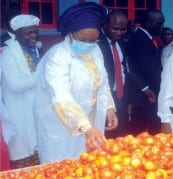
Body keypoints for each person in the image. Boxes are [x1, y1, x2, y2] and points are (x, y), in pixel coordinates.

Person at [33, 2, 118, 164]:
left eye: (93, 40)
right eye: (83, 39)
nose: (88, 44)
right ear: (71, 34)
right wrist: (85, 126)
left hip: (92, 122)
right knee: (63, 166)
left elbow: (103, 81)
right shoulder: (57, 57)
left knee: (90, 166)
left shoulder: (95, 50)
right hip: (60, 127)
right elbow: (61, 96)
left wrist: (109, 108)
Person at [0, 14, 41, 169]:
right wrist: (42, 74)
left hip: (35, 107)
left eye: (35, 32)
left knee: (37, 151)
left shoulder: (35, 49)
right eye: (28, 33)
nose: (33, 36)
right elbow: (16, 85)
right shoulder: (8, 53)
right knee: (21, 151)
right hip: (18, 110)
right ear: (16, 34)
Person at [126, 9, 165, 135]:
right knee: (140, 131)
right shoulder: (139, 40)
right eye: (159, 23)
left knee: (149, 128)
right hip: (143, 94)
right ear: (149, 24)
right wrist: (145, 88)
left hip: (150, 93)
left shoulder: (148, 39)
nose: (162, 27)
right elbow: (132, 68)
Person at [98, 10, 130, 138]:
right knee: (107, 132)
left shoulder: (120, 41)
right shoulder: (96, 43)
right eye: (115, 28)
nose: (119, 33)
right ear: (105, 25)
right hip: (105, 96)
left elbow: (123, 66)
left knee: (122, 132)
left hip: (121, 95)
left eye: (123, 29)